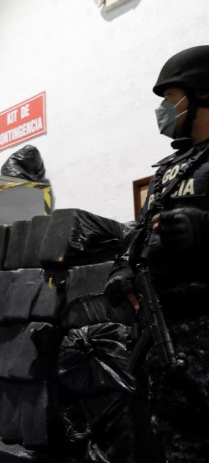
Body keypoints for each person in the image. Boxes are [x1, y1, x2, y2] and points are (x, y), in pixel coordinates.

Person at [104, 45, 209, 461]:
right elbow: (138, 233)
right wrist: (121, 270)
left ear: (202, 95)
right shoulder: (170, 169)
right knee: (167, 440)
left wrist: (204, 227)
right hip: (163, 333)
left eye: (171, 99)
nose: (165, 110)